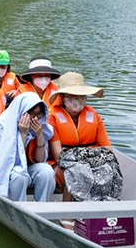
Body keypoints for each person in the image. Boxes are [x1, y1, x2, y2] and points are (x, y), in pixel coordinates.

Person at [0, 92, 56, 202]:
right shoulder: (2, 124)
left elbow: (40, 159)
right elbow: (11, 160)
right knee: (20, 175)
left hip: (28, 165)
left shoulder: (40, 125)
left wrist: (39, 135)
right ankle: (19, 209)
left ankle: (42, 207)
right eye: (32, 114)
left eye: (39, 114)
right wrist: (23, 134)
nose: (35, 119)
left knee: (46, 171)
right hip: (5, 166)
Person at [48, 72, 119, 201]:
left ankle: (103, 208)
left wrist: (92, 160)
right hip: (63, 163)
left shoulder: (94, 115)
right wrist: (83, 161)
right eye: (72, 95)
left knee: (109, 170)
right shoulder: (52, 116)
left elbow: (107, 148)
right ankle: (67, 211)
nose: (77, 99)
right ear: (63, 96)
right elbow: (58, 155)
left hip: (93, 159)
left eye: (81, 95)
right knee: (75, 171)